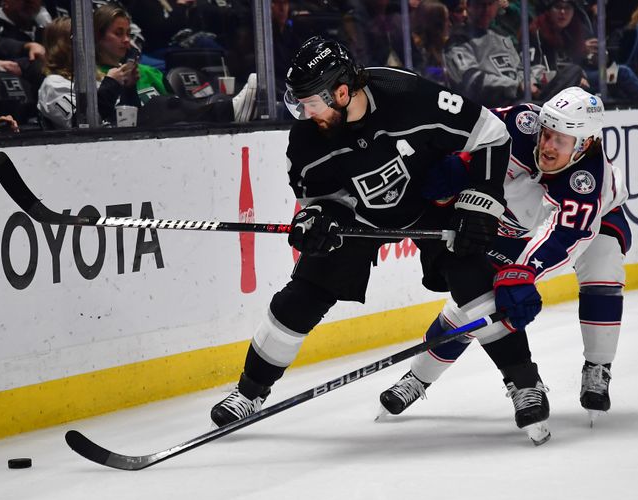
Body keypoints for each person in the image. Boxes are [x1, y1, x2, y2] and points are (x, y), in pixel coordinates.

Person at [209, 36, 551, 445]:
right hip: (359, 218)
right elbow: (317, 199)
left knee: (475, 284)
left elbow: (491, 134)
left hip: (431, 203)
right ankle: (249, 392)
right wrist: (316, 221)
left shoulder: (408, 96)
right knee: (300, 297)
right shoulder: (305, 139)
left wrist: (481, 203)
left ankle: (525, 382)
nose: (303, 112)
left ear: (340, 91)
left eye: (310, 102)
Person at [380, 86, 630, 426]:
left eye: (560, 140)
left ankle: (598, 366)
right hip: (517, 221)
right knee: (478, 297)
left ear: (585, 144)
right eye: (547, 134)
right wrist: (455, 167)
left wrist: (526, 270)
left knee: (604, 265)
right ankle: (418, 378)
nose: (547, 145)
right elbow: (471, 132)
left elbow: (566, 234)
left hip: (592, 223)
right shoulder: (520, 123)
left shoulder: (589, 182)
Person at [37, 14, 255, 128]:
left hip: (119, 138)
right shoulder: (53, 85)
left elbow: (123, 112)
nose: (90, 47)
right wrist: (113, 84)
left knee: (171, 110)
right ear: (65, 45)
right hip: (93, 149)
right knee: (161, 105)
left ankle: (227, 110)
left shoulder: (93, 78)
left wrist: (128, 89)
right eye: (82, 41)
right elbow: (79, 122)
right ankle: (228, 112)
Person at [444, 0, 575, 108]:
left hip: (522, 99)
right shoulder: (458, 40)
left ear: (497, 6)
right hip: (491, 107)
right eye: (480, 5)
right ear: (469, 7)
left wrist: (542, 78)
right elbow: (471, 81)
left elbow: (520, 69)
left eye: (490, 4)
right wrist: (516, 86)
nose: (486, 10)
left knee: (573, 72)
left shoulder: (501, 35)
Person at [530, 0, 638, 102]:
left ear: (574, 11)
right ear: (549, 10)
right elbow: (538, 72)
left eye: (567, 8)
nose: (563, 12)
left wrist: (596, 56)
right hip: (559, 83)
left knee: (617, 73)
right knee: (623, 72)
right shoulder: (537, 32)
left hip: (586, 76)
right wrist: (578, 69)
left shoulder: (576, 29)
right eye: (558, 7)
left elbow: (591, 61)